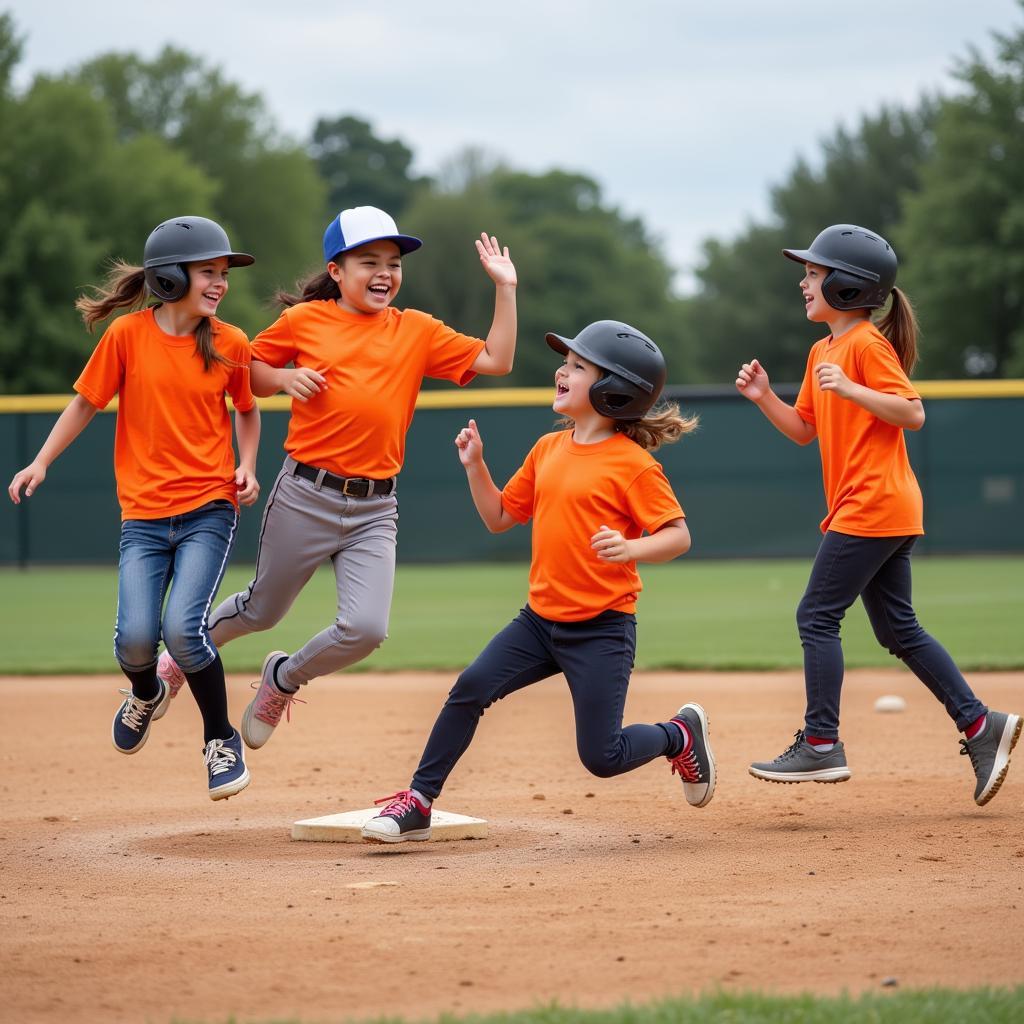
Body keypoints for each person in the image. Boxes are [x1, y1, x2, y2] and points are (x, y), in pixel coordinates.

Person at [156, 205, 518, 750]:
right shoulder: (306, 321)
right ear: (336, 271)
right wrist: (283, 375)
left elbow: (497, 359)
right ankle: (180, 659)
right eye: (368, 260)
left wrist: (505, 288)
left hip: (375, 509)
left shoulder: (415, 329)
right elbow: (243, 368)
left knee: (367, 630)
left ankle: (283, 679)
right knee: (261, 611)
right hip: (306, 494)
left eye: (393, 263)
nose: (384, 273)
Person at [361, 320, 715, 844]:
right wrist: (476, 467)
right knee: (469, 689)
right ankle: (418, 800)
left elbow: (678, 535)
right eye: (566, 362)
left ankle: (679, 734)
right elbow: (501, 516)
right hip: (538, 622)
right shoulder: (549, 448)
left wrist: (633, 548)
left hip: (601, 629)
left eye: (577, 366)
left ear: (612, 388)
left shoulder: (633, 465)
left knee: (602, 757)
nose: (562, 370)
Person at [735, 224, 1020, 806]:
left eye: (813, 274)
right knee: (897, 629)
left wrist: (853, 389)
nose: (803, 282)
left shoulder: (865, 344)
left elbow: (911, 413)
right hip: (881, 506)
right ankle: (979, 724)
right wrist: (766, 397)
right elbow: (804, 431)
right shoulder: (824, 351)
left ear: (846, 286)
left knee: (816, 615)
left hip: (872, 504)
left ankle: (821, 742)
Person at [8, 216, 261, 800]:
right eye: (208, 272)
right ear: (170, 278)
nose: (220, 283)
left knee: (183, 631)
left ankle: (220, 740)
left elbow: (246, 410)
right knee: (135, 643)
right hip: (144, 518)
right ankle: (146, 693)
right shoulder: (127, 336)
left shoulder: (231, 342)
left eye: (224, 273)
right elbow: (84, 404)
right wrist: (41, 461)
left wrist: (246, 465)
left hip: (209, 509)